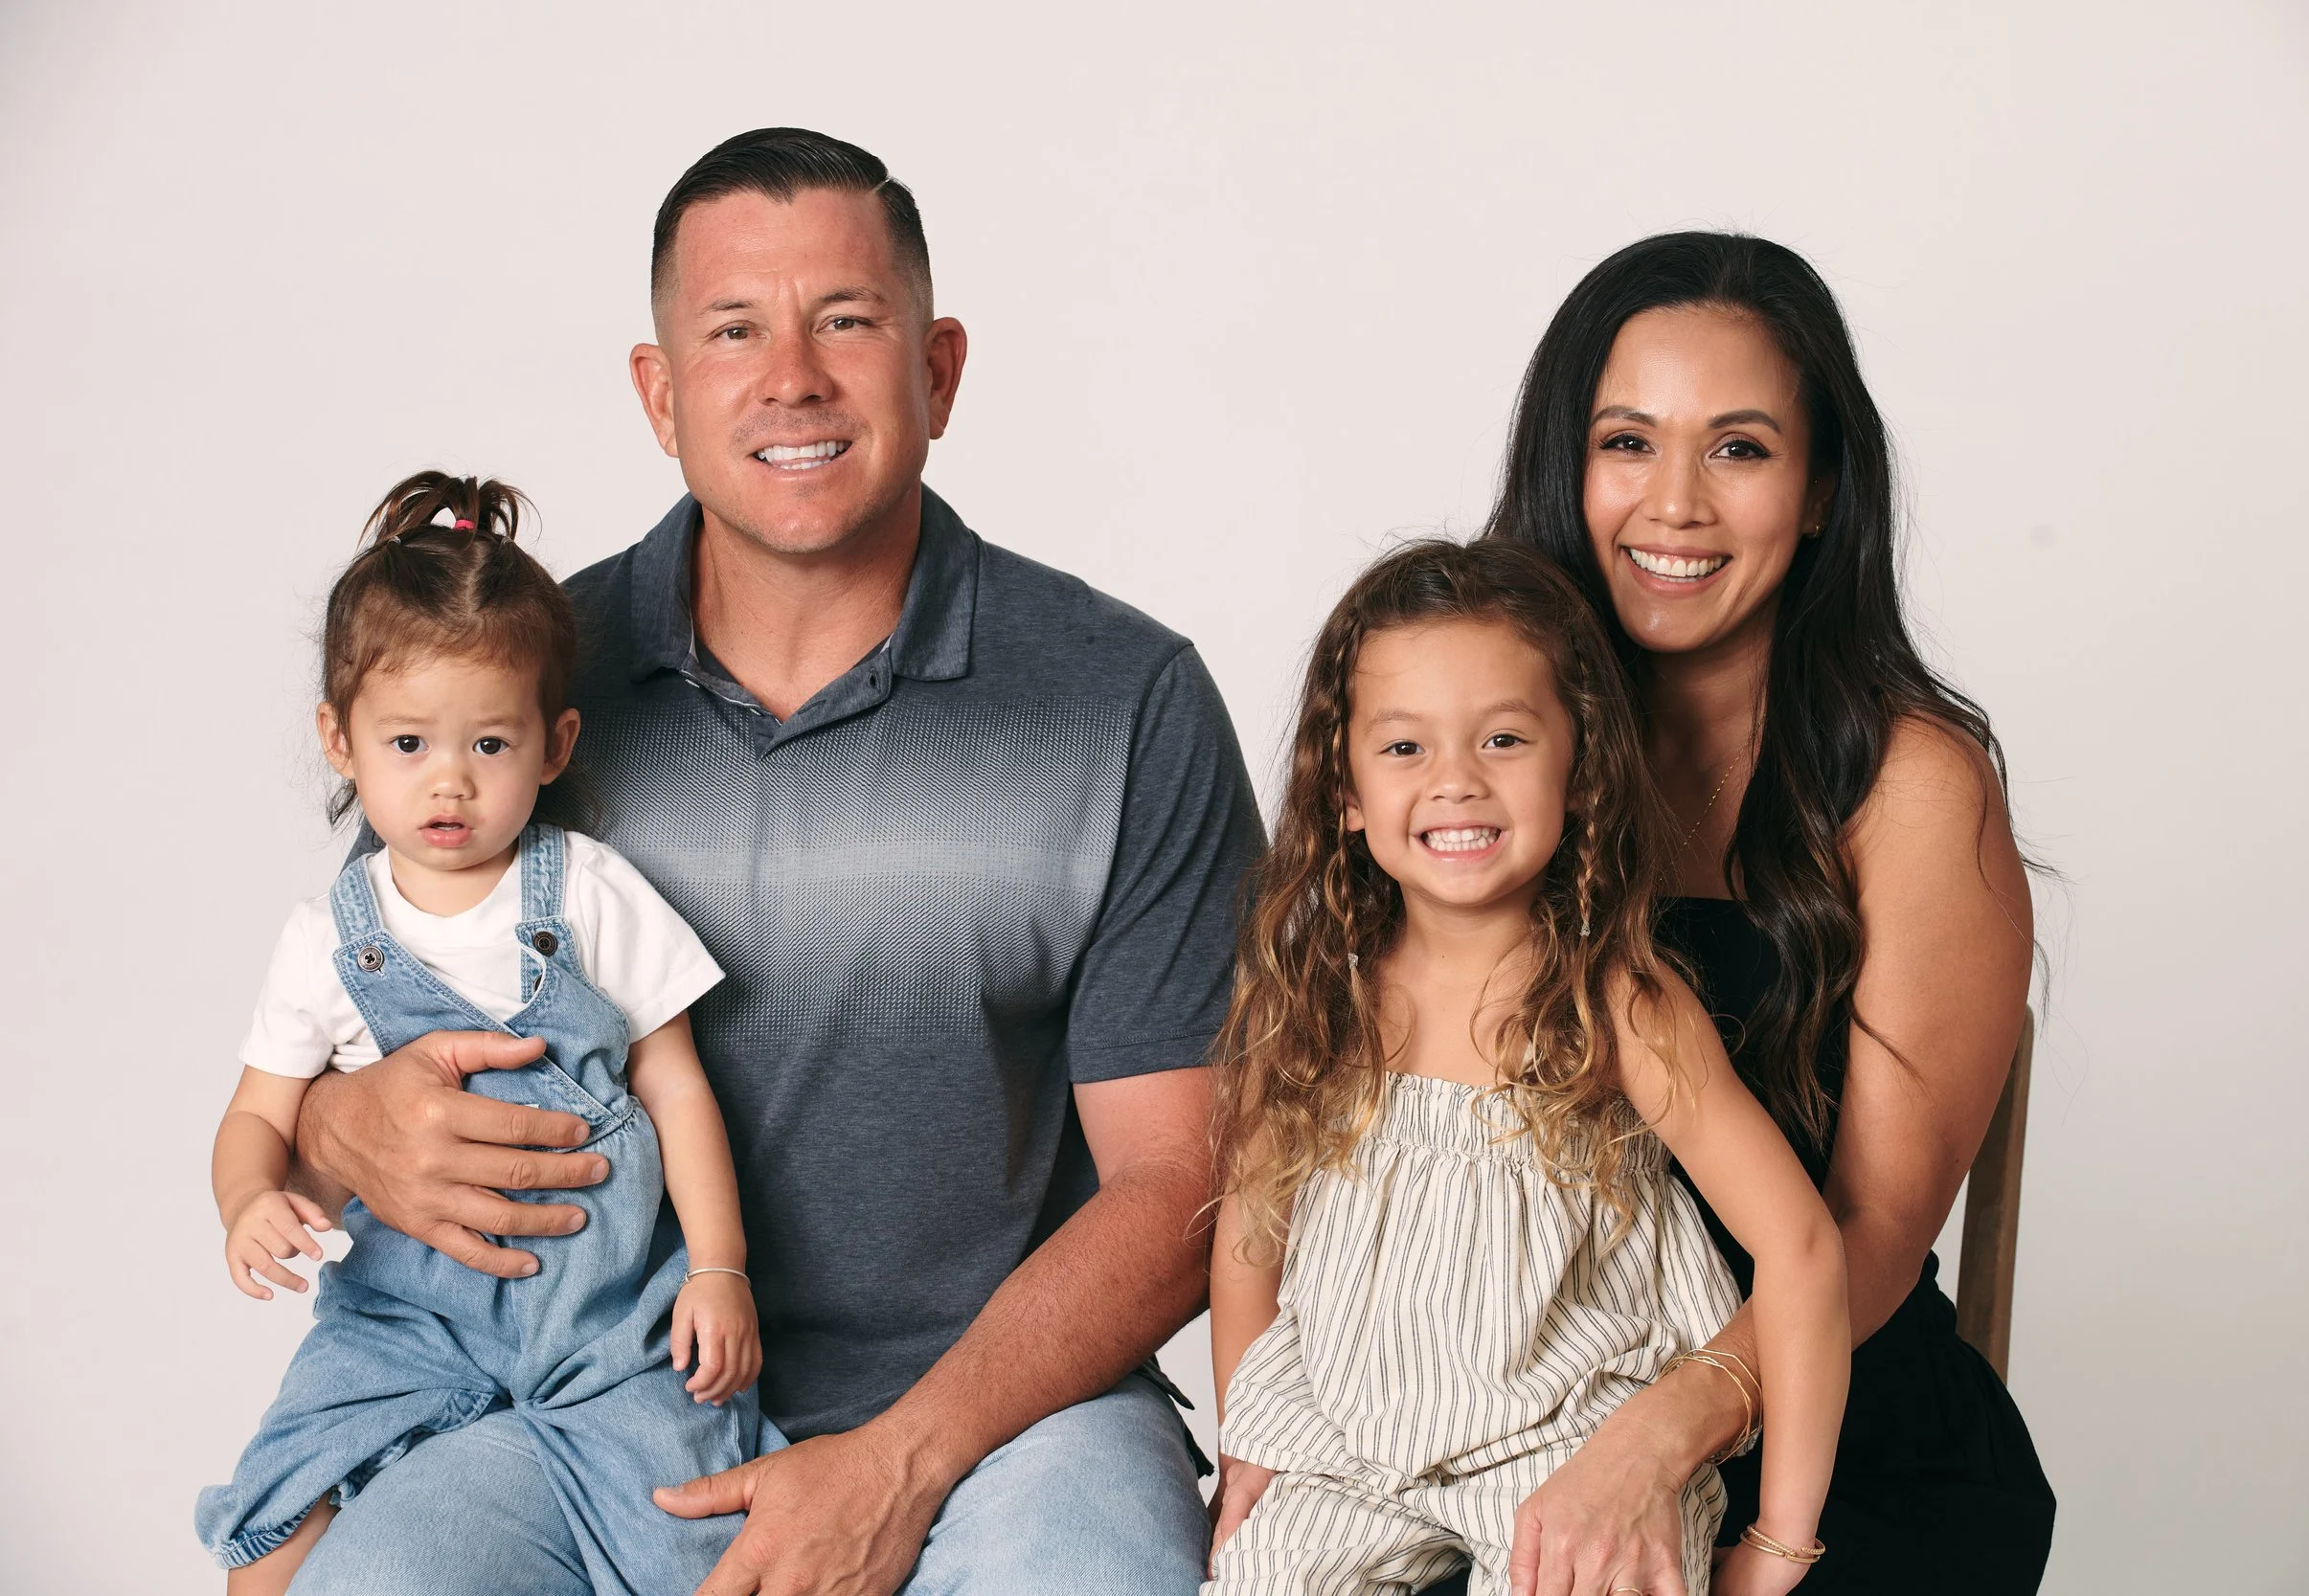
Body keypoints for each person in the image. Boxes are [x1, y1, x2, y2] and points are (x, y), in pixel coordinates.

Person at [280, 129, 1260, 1596]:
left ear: (939, 368)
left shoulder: (1121, 699)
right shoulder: (510, 693)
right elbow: (325, 1086)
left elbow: (1182, 1181)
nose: (792, 376)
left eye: (847, 322)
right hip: (577, 1404)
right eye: (735, 330)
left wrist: (903, 1458)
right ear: (659, 393)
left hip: (1012, 1424)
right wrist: (345, 1128)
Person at [1471, 232, 2056, 1593]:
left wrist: (1669, 1429)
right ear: (1569, 468)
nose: (1673, 503)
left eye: (1737, 448)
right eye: (1627, 441)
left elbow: (1878, 1222)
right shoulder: (1481, 760)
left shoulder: (1915, 788)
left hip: (1835, 1433)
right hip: (1523, 1417)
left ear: (1820, 490)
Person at [1204, 540, 1850, 1596]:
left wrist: (1780, 1534)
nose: (1456, 779)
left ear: (1578, 770)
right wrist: (1254, 1442)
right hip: (1347, 1449)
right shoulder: (1319, 999)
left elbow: (1802, 1246)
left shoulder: (1618, 1002)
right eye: (1404, 746)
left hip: (1567, 1438)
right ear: (1347, 792)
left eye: (1503, 736)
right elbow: (1246, 1245)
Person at [195, 472, 778, 1595]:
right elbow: (256, 1114)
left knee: (693, 1541)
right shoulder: (328, 939)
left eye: (491, 745)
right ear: (340, 737)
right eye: (408, 742)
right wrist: (247, 1200)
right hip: (404, 1318)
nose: (449, 780)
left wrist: (718, 1265)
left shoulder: (594, 892)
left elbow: (678, 1086)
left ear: (554, 745)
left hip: (604, 1323)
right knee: (268, 1546)